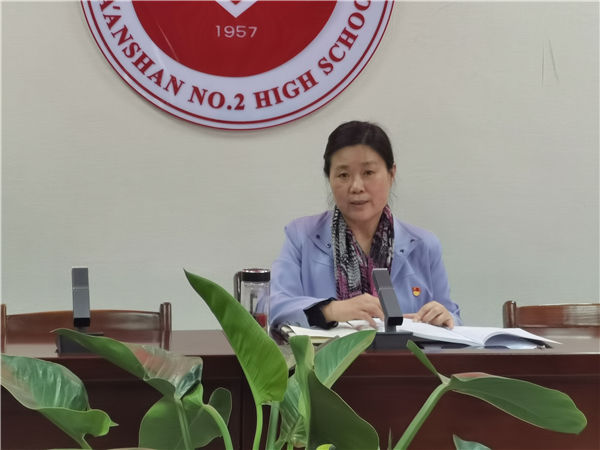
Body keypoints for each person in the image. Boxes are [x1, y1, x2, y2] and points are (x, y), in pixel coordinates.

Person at [267, 121, 461, 330]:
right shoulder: (301, 235)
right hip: (325, 352)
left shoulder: (424, 245)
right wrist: (330, 310)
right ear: (329, 178)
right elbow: (272, 307)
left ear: (391, 173)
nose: (356, 187)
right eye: (343, 175)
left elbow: (455, 322)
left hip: (406, 353)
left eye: (368, 172)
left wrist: (444, 318)